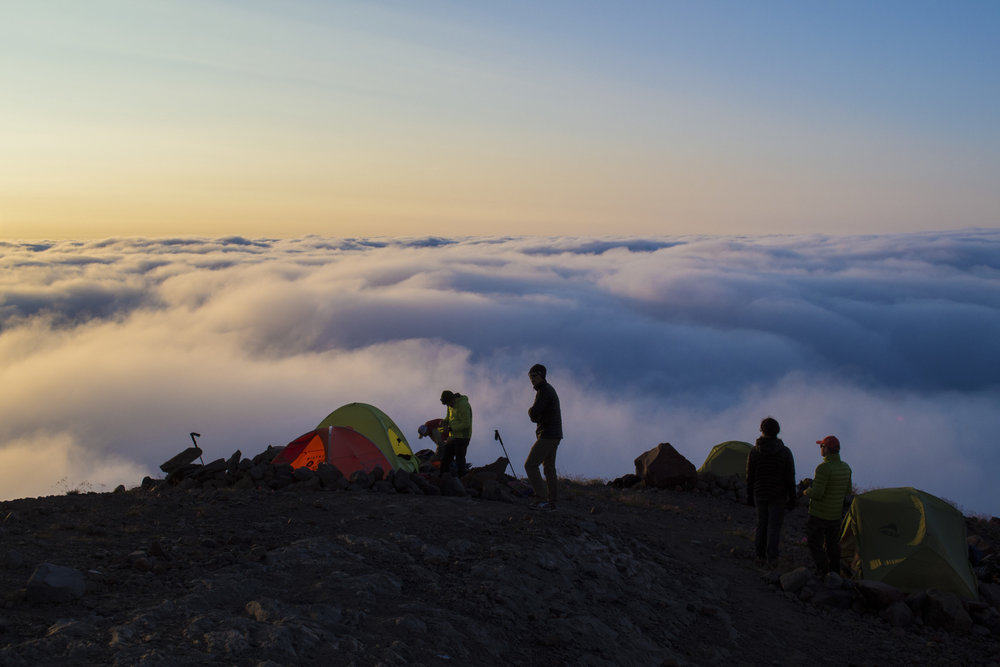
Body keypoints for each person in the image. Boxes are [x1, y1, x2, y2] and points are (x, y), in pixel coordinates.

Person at [745, 416, 796, 566]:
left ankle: (759, 554)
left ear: (762, 430)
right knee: (774, 526)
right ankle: (772, 557)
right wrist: (792, 498)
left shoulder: (754, 451)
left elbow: (750, 476)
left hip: (760, 492)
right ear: (777, 431)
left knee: (762, 523)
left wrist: (749, 495)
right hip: (779, 494)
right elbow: (790, 477)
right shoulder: (785, 452)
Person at [803, 435, 853, 576]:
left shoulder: (823, 468)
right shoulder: (846, 467)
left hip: (819, 514)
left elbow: (818, 493)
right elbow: (848, 490)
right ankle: (835, 572)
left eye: (822, 446)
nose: (820, 449)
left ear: (828, 450)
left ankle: (823, 570)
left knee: (814, 543)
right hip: (835, 515)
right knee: (832, 545)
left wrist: (807, 491)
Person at [524, 364, 562, 511]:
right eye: (530, 376)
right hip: (555, 434)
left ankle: (541, 499)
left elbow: (534, 414)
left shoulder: (544, 391)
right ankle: (552, 502)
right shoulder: (548, 389)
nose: (532, 379)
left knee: (530, 465)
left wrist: (530, 412)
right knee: (549, 468)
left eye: (534, 376)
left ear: (542, 376)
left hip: (547, 434)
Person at [438, 390, 472, 476]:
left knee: (459, 459)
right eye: (446, 404)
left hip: (463, 437)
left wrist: (450, 429)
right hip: (453, 436)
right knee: (446, 457)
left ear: (453, 399)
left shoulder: (463, 405)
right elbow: (449, 417)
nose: (448, 405)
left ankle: (462, 479)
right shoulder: (450, 405)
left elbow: (466, 424)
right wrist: (444, 421)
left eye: (448, 403)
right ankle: (442, 476)